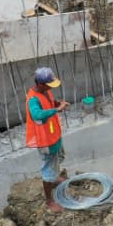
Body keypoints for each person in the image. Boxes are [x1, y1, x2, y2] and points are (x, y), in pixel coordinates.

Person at [25, 67, 70, 214]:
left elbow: (48, 102)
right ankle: (49, 200)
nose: (51, 87)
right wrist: (56, 110)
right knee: (48, 168)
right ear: (40, 83)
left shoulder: (45, 91)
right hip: (45, 140)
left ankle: (55, 179)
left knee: (57, 158)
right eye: (48, 84)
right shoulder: (33, 99)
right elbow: (37, 114)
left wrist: (56, 103)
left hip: (53, 134)